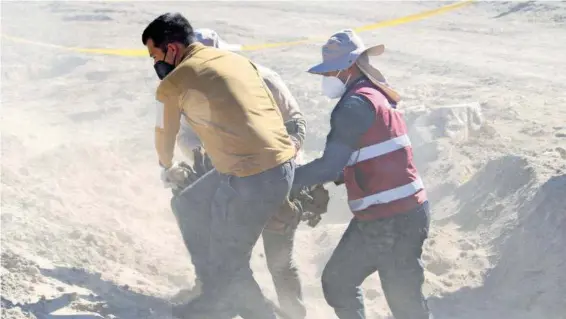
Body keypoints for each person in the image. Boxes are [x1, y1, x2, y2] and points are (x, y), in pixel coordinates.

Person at [141, 13, 296, 319]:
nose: (154, 63)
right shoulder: (237, 61)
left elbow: (164, 136)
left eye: (155, 55)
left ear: (172, 49)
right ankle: (213, 291)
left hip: (251, 176)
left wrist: (166, 165)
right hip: (279, 167)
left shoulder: (172, 85)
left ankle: (262, 313)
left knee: (230, 261)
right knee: (188, 204)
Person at [291, 29, 433, 319]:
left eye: (329, 71)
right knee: (357, 286)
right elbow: (368, 152)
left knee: (389, 298)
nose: (325, 78)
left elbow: (329, 165)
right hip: (404, 212)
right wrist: (341, 176)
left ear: (347, 67)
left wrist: (287, 181)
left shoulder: (354, 105)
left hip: (389, 219)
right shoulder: (375, 95)